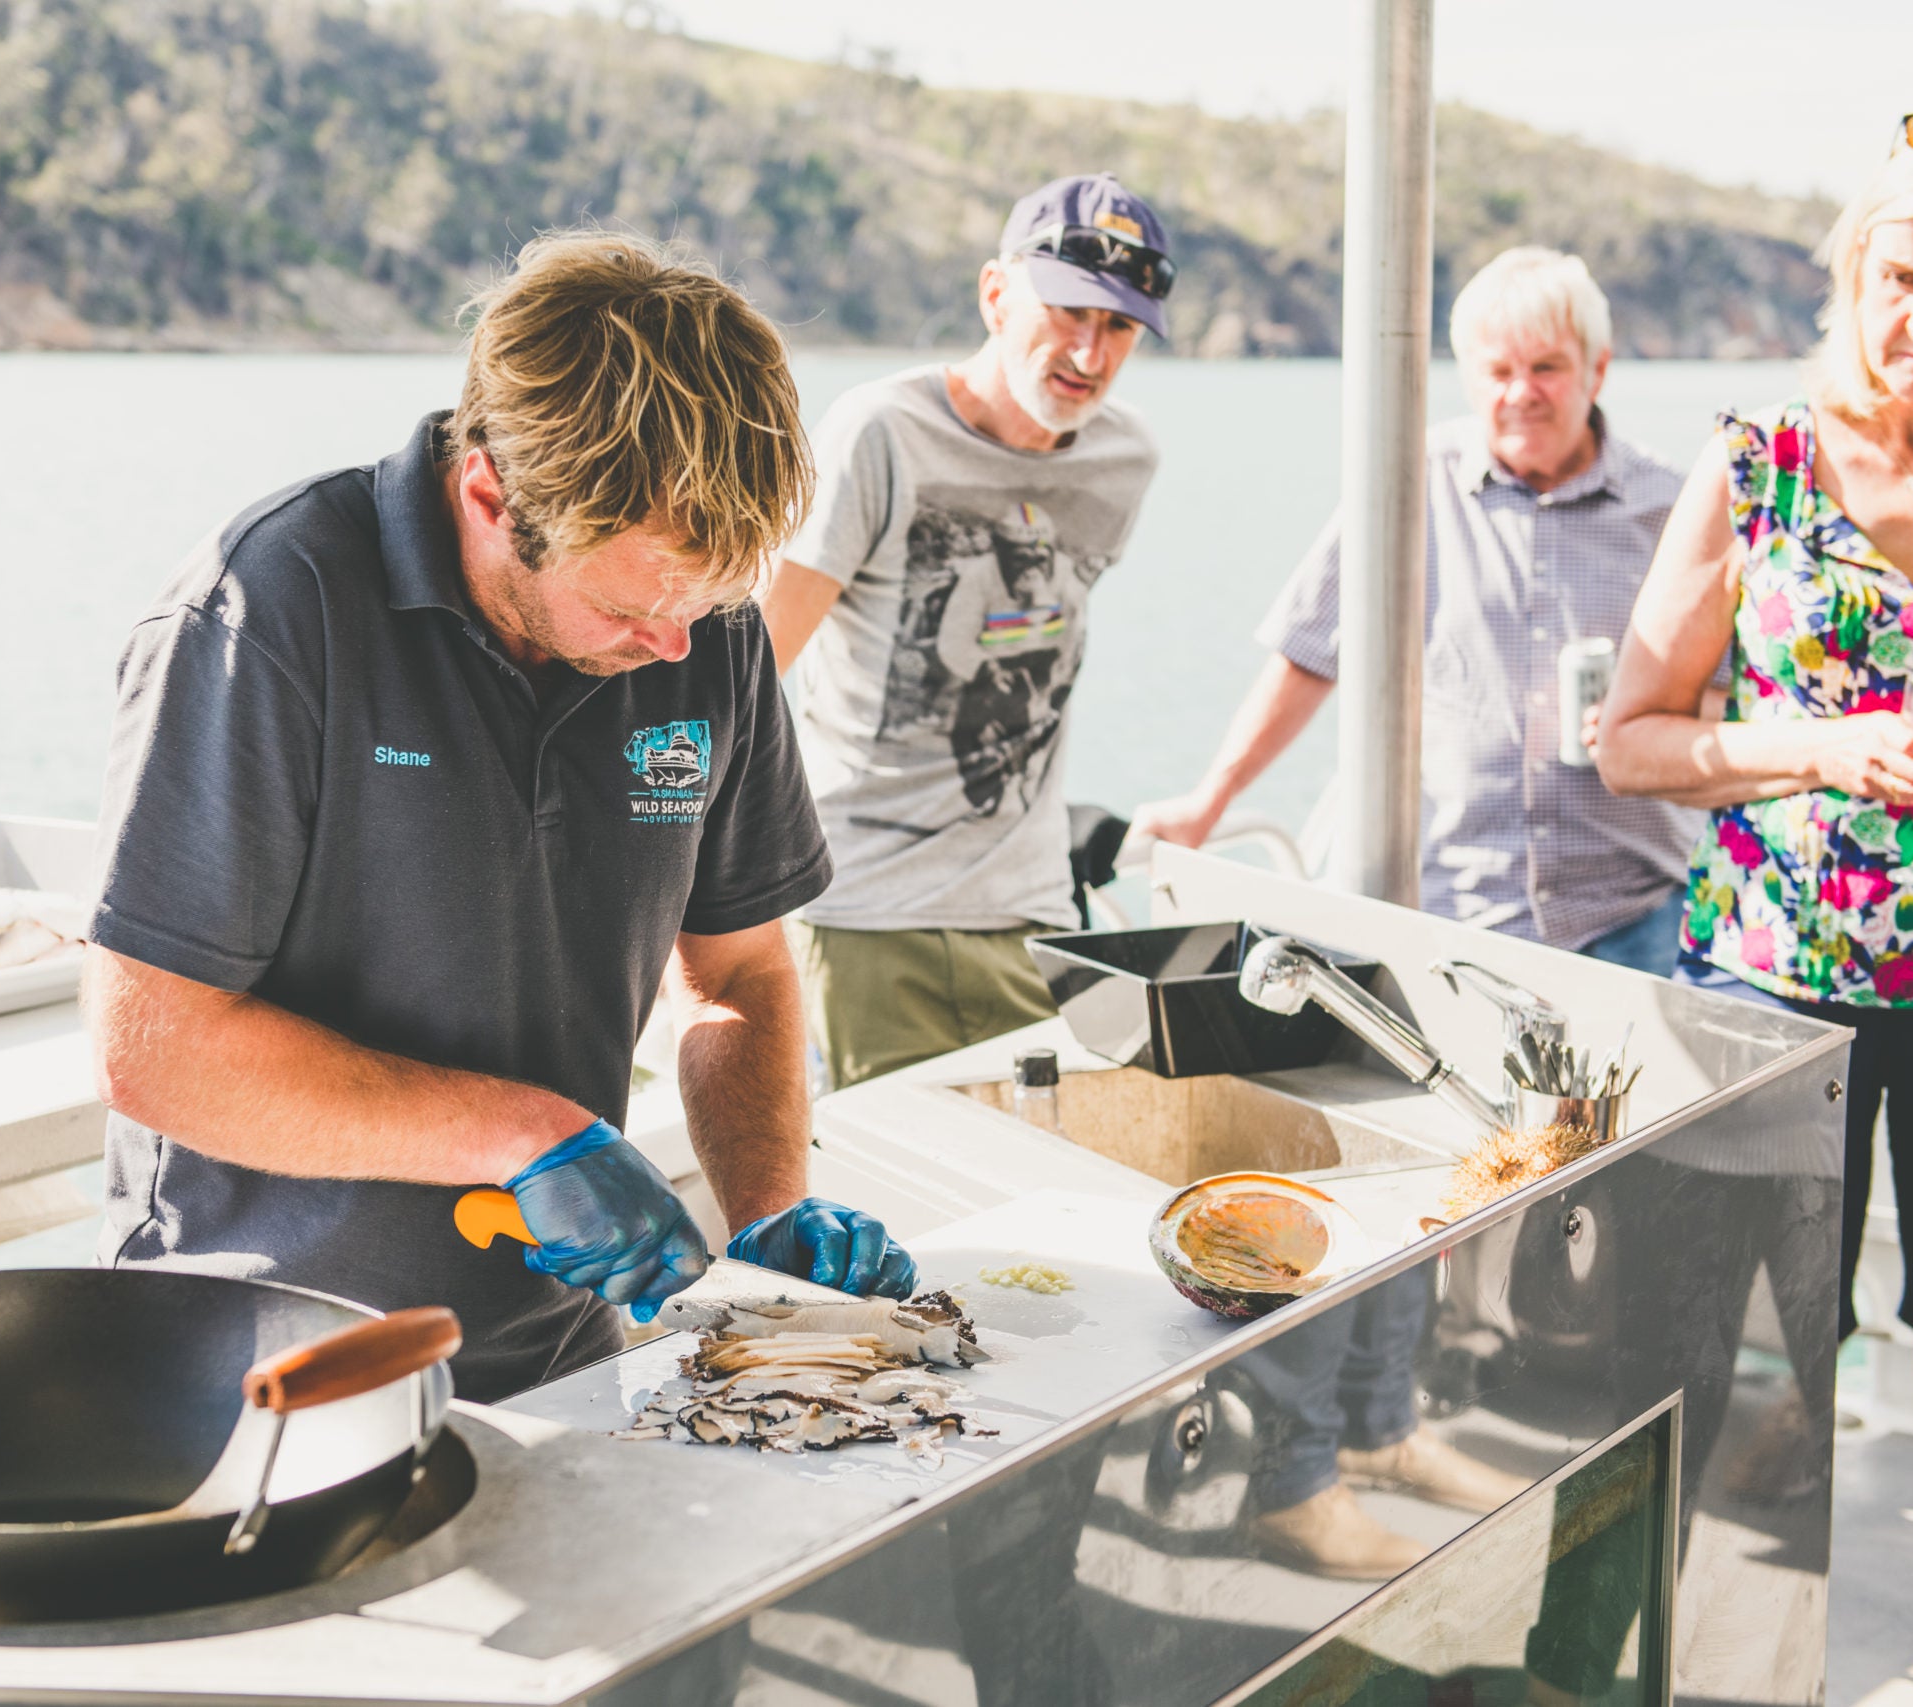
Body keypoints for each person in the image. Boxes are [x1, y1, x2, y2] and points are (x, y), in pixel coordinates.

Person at [79, 233, 917, 1405]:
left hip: (562, 1360)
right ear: (488, 493)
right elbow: (153, 1045)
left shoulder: (704, 624)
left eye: (708, 601)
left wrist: (768, 1203)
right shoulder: (267, 611)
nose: (674, 648)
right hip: (258, 1362)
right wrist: (521, 1134)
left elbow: (735, 973)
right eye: (633, 602)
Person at [1597, 114, 1913, 1707]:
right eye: (1895, 276)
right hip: (1773, 995)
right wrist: (1820, 745)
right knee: (1731, 1382)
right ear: (1848, 272)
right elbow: (1634, 737)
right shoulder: (1760, 464)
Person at [1133, 248, 1704, 975]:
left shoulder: (1672, 507)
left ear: (1598, 368)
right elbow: (1309, 653)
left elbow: (1728, 696)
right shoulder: (1407, 482)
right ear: (1468, 378)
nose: (1521, 392)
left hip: (1632, 917)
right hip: (1449, 914)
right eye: (1498, 371)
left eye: (1548, 368)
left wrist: (1645, 715)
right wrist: (1211, 799)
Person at [759, 172, 1166, 1089]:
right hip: (863, 913)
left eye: (1120, 328)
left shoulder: (1125, 459)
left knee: (1045, 1198)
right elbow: (750, 668)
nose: (1090, 354)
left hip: (1029, 913)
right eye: (1068, 311)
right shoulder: (880, 432)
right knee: (901, 1204)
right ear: (994, 293)